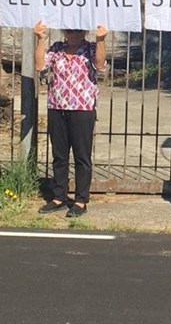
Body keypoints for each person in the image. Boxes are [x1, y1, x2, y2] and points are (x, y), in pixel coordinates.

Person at [34, 21, 107, 218]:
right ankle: (59, 196)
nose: (73, 33)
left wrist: (101, 40)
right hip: (57, 107)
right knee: (59, 155)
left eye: (77, 29)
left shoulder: (90, 48)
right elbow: (40, 65)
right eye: (69, 29)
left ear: (84, 30)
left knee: (82, 157)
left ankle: (81, 200)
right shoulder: (57, 48)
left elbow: (99, 65)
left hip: (82, 109)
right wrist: (40, 39)